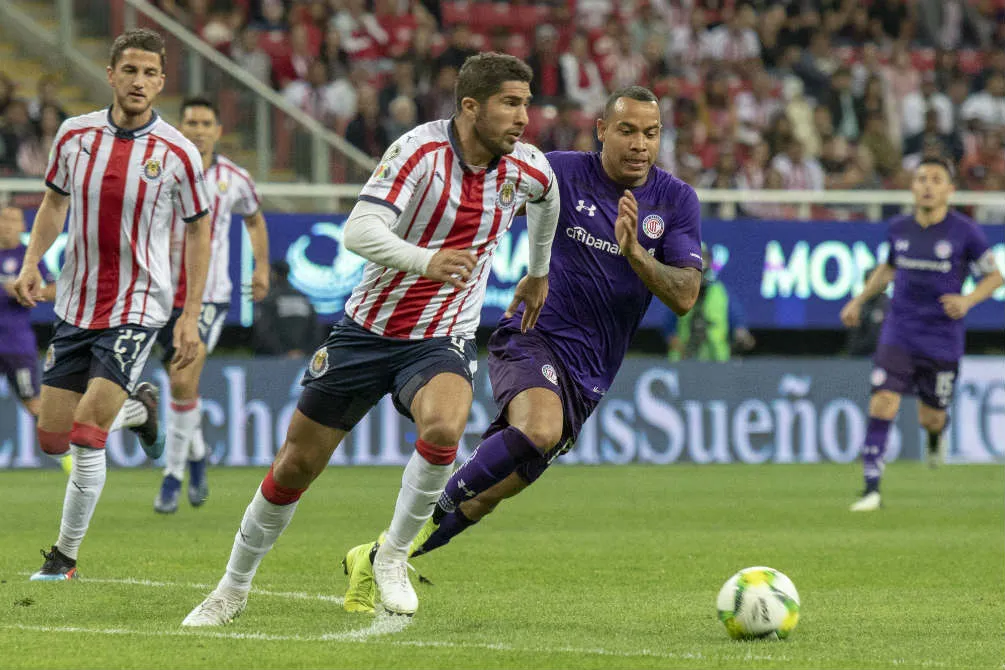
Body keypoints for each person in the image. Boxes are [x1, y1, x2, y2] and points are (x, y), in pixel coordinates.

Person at [182, 52, 559, 625]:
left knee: (445, 427)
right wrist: (426, 260)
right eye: (510, 104)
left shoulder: (525, 167)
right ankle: (231, 588)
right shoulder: (419, 152)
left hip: (442, 335)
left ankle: (393, 555)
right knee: (295, 465)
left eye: (526, 104)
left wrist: (538, 271)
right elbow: (359, 231)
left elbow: (548, 199)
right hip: (366, 331)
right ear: (470, 107)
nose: (523, 117)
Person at [340, 86, 703, 614]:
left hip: (592, 371)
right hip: (533, 335)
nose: (639, 144)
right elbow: (486, 193)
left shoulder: (676, 200)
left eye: (651, 133)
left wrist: (635, 255)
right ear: (602, 130)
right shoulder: (560, 171)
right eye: (627, 130)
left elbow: (686, 296)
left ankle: (375, 557)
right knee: (540, 428)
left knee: (487, 495)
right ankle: (395, 552)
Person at [13, 29, 211, 580]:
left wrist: (190, 314)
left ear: (162, 82)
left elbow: (200, 231)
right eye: (130, 71)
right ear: (110, 75)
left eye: (149, 73)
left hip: (138, 304)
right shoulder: (74, 135)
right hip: (76, 301)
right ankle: (142, 410)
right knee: (52, 438)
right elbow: (53, 203)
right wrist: (32, 262)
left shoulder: (177, 152)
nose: (139, 82)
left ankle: (64, 558)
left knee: (85, 434)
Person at [841, 157, 1003, 510]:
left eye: (936, 179)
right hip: (899, 331)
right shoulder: (899, 228)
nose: (927, 185)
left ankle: (934, 436)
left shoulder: (965, 231)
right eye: (921, 179)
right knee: (883, 400)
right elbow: (888, 269)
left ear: (950, 190)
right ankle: (871, 489)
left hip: (942, 338)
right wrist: (858, 300)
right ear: (912, 187)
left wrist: (968, 300)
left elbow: (995, 277)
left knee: (932, 417)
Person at [152, 95, 271, 515]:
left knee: (181, 377)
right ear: (180, 127)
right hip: (159, 293)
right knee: (180, 385)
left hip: (209, 296)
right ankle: (199, 454)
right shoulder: (161, 170)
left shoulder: (233, 178)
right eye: (191, 122)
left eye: (206, 123)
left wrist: (261, 267)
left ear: (218, 131)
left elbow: (254, 218)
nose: (198, 130)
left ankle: (172, 477)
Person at [0, 206, 63, 467]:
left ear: (22, 227)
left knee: (33, 404)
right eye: (3, 219)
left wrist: (26, 292)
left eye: (13, 220)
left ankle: (67, 456)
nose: (6, 225)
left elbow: (54, 290)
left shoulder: (28, 259)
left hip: (16, 345)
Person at [665, 243, 754, 362]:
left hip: (717, 361)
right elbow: (668, 327)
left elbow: (737, 322)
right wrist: (677, 345)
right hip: (684, 362)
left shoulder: (721, 292)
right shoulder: (679, 292)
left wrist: (741, 333)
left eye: (703, 258)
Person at [252, 260, 318, 358]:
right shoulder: (303, 298)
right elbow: (316, 329)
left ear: (274, 275)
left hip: (275, 358)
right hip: (302, 358)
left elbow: (264, 330)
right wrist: (304, 351)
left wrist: (283, 352)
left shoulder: (269, 300)